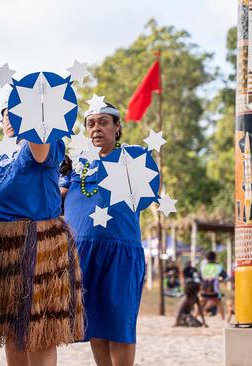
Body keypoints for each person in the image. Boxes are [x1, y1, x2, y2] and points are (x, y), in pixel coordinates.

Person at [0, 104, 83, 366]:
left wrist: (34, 122)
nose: (10, 119)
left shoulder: (43, 143)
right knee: (13, 329)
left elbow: (40, 155)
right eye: (6, 114)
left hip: (38, 244)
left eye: (17, 113)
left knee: (38, 329)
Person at [59, 102, 145, 366]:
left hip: (121, 250)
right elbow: (55, 199)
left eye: (104, 122)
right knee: (93, 323)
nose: (97, 128)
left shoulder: (135, 157)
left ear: (117, 127)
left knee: (119, 323)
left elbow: (146, 194)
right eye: (91, 123)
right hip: (81, 251)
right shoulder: (75, 164)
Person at [200, 251, 227, 319]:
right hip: (215, 289)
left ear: (206, 258)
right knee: (219, 303)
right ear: (215, 258)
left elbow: (200, 277)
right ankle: (223, 319)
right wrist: (220, 280)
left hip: (204, 288)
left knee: (202, 302)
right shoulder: (218, 266)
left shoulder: (203, 267)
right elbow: (225, 277)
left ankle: (196, 315)